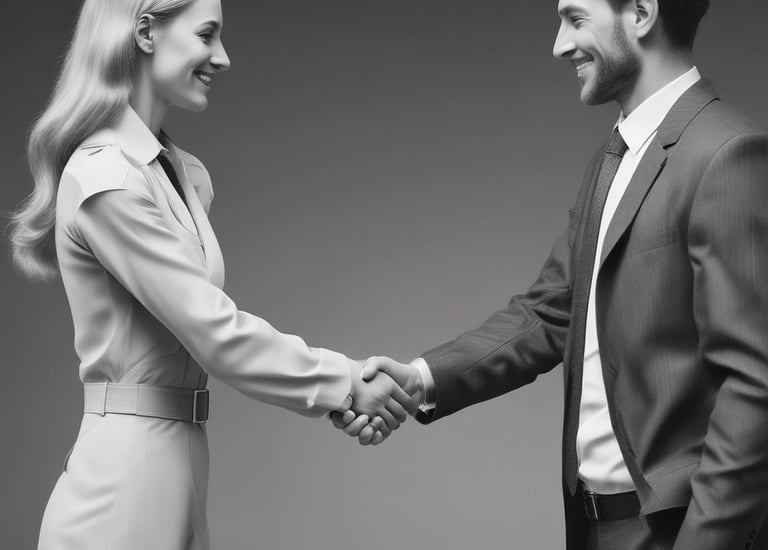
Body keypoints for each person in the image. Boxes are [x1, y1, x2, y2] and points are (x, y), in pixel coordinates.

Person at [332, 0, 768, 548]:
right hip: (592, 528)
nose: (560, 45)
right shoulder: (613, 159)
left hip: (676, 533)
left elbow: (755, 388)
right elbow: (549, 313)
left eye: (575, 18)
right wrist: (417, 378)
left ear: (640, 12)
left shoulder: (728, 154)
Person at [8, 0, 416, 548]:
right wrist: (344, 384)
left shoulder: (179, 173)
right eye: (206, 35)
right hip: (126, 481)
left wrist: (342, 392)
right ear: (146, 32)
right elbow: (214, 333)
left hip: (176, 465)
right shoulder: (106, 177)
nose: (221, 58)